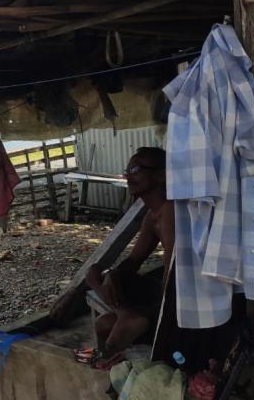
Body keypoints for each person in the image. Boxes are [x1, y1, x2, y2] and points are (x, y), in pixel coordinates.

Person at [84, 147, 175, 361]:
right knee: (94, 272)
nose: (128, 176)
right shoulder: (152, 217)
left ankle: (132, 318)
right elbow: (134, 260)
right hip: (159, 297)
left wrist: (160, 312)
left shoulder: (171, 210)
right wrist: (112, 274)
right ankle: (126, 314)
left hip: (174, 300)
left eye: (135, 169)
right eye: (127, 171)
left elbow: (174, 271)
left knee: (105, 324)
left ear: (161, 175)